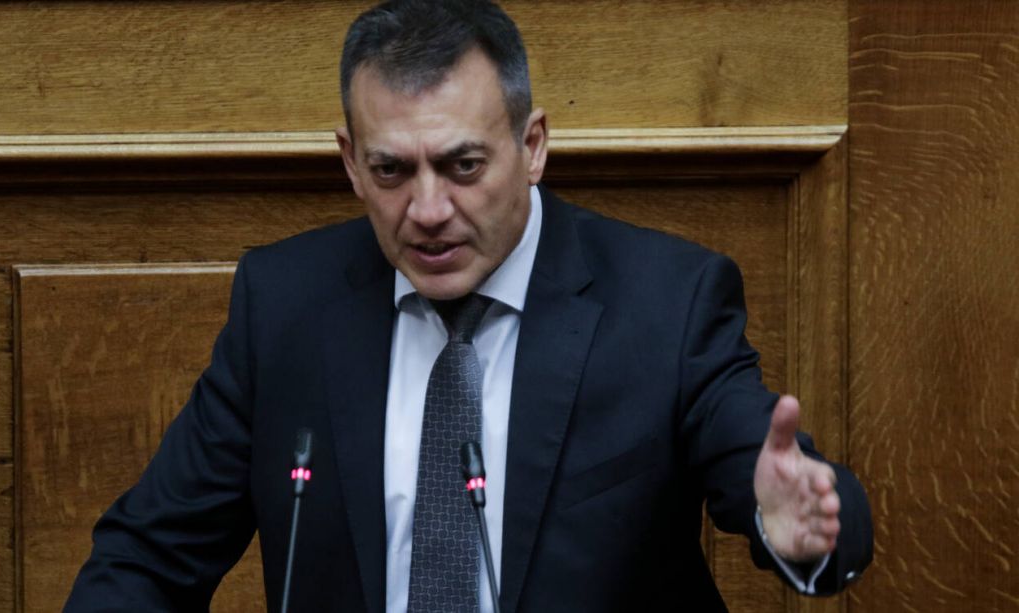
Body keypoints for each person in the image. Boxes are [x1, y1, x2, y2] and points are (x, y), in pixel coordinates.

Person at [65, 1, 872, 611]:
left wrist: (795, 524)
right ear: (350, 162)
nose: (427, 210)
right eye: (391, 171)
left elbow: (782, 485)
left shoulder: (666, 301)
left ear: (533, 146)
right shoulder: (285, 305)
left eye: (462, 166)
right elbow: (147, 556)